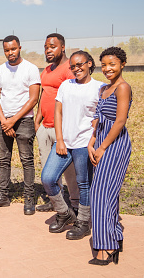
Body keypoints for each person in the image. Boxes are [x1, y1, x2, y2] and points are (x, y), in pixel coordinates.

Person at [41, 51, 105, 239]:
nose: (77, 69)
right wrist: (60, 140)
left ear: (90, 64)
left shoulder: (99, 88)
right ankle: (64, 213)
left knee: (83, 184)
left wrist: (93, 143)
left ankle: (83, 222)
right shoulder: (65, 86)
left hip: (84, 144)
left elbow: (100, 118)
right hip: (64, 142)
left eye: (80, 64)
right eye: (73, 66)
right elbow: (58, 113)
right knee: (48, 178)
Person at [88, 47, 132, 265]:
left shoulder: (123, 88)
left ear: (122, 64)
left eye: (112, 64)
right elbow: (97, 119)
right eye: (104, 65)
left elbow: (120, 121)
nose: (107, 69)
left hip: (115, 144)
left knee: (100, 192)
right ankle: (115, 235)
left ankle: (107, 245)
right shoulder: (103, 89)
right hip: (101, 141)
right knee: (106, 192)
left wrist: (103, 147)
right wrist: (92, 141)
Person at [0, 35, 40, 214]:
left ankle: (29, 198)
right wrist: (4, 120)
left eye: (13, 49)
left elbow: (33, 99)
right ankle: (3, 196)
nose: (10, 53)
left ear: (20, 48)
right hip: (3, 121)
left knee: (27, 160)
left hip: (24, 120)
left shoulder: (30, 69)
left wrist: (13, 120)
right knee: (3, 160)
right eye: (7, 50)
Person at [35, 33, 80, 213]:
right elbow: (44, 95)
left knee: (69, 170)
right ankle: (56, 202)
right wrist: (37, 120)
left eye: (52, 46)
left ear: (63, 47)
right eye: (46, 47)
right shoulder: (46, 70)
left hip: (62, 129)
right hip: (44, 127)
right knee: (48, 168)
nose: (48, 50)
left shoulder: (70, 69)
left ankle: (75, 204)